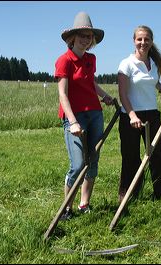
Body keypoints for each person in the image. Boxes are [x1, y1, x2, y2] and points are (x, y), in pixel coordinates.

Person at [55, 11, 113, 220]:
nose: (85, 39)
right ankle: (66, 209)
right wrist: (72, 121)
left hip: (95, 114)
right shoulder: (64, 61)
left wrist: (105, 96)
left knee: (93, 160)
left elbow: (91, 83)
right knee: (78, 164)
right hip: (75, 118)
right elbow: (62, 93)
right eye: (82, 35)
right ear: (73, 37)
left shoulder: (91, 59)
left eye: (89, 36)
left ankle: (84, 204)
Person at [117, 25, 161, 204]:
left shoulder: (153, 64)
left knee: (157, 155)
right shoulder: (126, 64)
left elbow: (153, 82)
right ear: (134, 41)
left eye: (147, 39)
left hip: (152, 114)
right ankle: (128, 197)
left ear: (151, 41)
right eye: (139, 39)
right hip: (130, 116)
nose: (143, 42)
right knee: (131, 158)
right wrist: (132, 115)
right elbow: (123, 94)